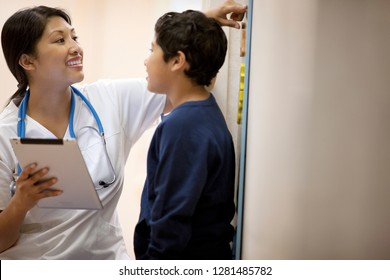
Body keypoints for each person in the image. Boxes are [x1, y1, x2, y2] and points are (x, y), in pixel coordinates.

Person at [0, 3, 247, 259]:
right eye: (60, 40)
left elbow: (184, 78)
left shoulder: (109, 99)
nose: (75, 46)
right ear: (27, 61)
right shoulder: (4, 133)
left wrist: (201, 22)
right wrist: (20, 203)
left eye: (74, 37)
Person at [133, 10, 236, 260]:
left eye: (152, 50)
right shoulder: (204, 111)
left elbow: (172, 218)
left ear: (177, 61)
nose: (146, 61)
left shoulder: (183, 126)